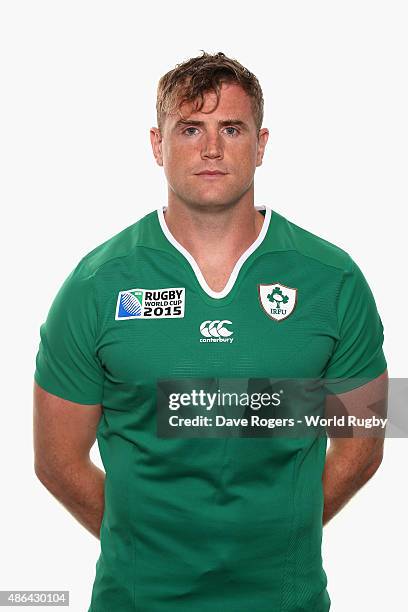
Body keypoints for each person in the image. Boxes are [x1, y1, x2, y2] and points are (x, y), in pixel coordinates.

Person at [33, 51, 388, 611]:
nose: (212, 148)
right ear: (157, 144)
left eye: (231, 128)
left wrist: (279, 537)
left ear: (262, 143)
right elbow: (56, 460)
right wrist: (147, 547)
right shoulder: (97, 285)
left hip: (285, 600)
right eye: (190, 128)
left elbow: (363, 443)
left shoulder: (332, 280)